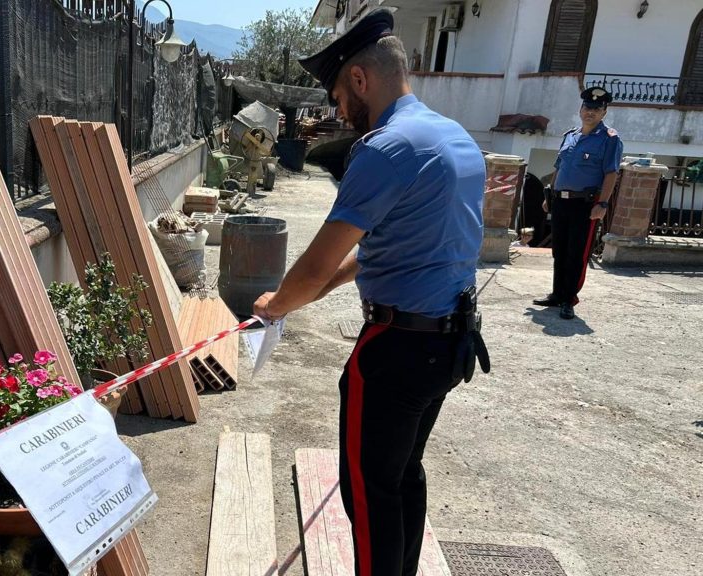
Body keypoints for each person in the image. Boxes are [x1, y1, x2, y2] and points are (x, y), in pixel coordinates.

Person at [252, 9, 489, 576]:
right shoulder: (452, 136)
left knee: (369, 495)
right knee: (402, 475)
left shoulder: (386, 147)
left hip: (394, 349)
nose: (338, 111)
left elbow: (315, 262)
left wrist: (277, 303)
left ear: (360, 80)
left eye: (337, 95)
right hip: (448, 344)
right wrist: (315, 291)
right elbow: (388, 250)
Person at [533, 87, 623, 320]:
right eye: (587, 107)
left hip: (585, 204)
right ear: (580, 109)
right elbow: (559, 167)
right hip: (561, 202)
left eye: (596, 109)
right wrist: (549, 197)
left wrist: (602, 204)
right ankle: (556, 294)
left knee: (577, 253)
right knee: (559, 250)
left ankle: (569, 299)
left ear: (604, 112)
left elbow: (611, 174)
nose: (590, 112)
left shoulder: (609, 139)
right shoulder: (570, 135)